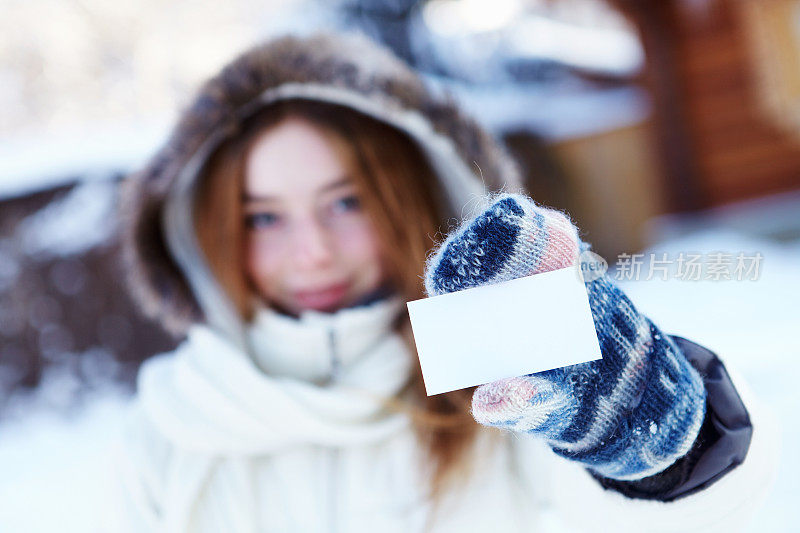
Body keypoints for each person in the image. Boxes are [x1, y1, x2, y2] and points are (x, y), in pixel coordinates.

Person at [110, 31, 778, 532]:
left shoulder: (512, 386)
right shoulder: (170, 426)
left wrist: (676, 449)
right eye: (263, 217)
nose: (311, 250)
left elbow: (705, 516)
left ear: (415, 195)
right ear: (206, 232)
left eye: (346, 202)